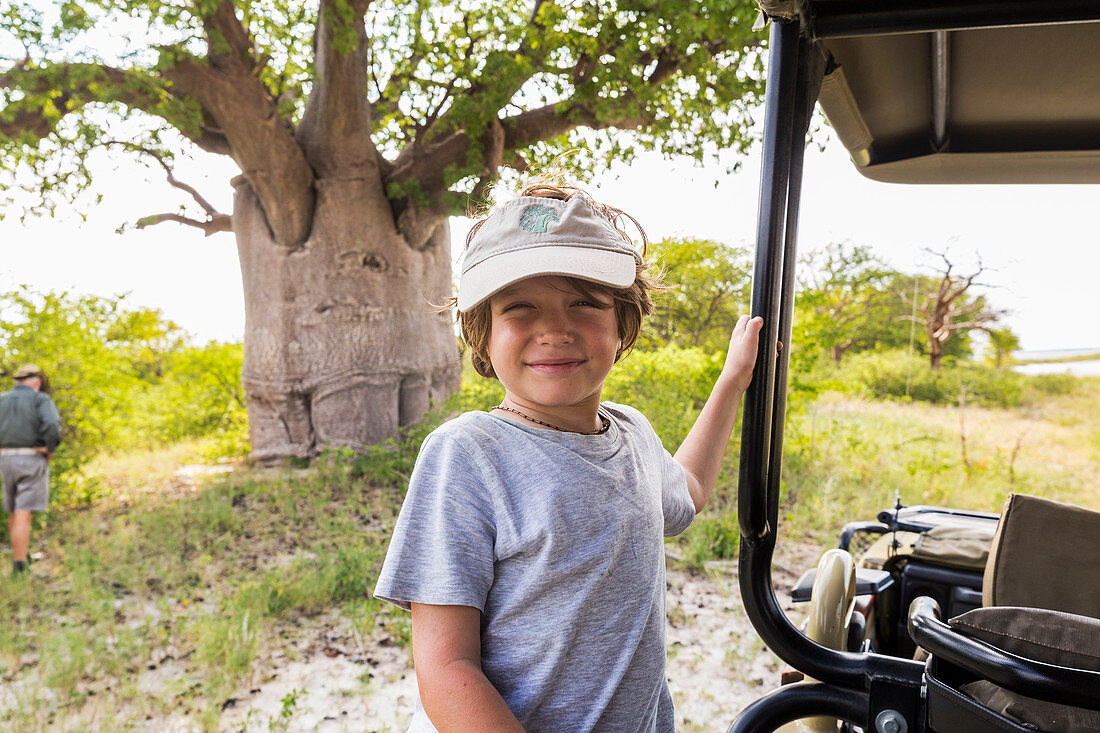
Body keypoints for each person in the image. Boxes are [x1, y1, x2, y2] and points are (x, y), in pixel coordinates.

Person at [373, 182, 764, 732]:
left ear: (622, 323)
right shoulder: (467, 455)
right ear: (483, 335)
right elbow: (446, 667)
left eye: (584, 302)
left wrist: (733, 379)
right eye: (519, 308)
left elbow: (691, 491)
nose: (555, 329)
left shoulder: (632, 432)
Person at [0, 364, 61, 576]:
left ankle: (22, 554)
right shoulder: (40, 399)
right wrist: (49, 448)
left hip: (5, 459)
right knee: (23, 513)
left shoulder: (2, 399)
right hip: (31, 457)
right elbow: (52, 424)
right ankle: (20, 568)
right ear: (36, 382)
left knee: (15, 510)